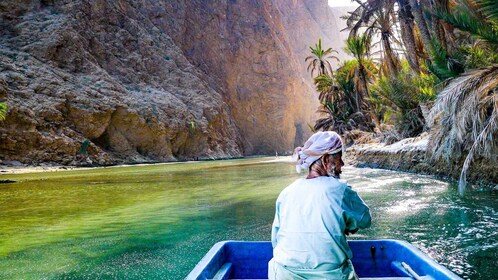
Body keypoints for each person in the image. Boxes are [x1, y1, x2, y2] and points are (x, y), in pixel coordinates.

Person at [268, 131, 371, 280]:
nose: (341, 164)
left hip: (283, 274)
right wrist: (348, 224)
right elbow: (365, 220)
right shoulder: (340, 189)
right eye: (339, 158)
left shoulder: (286, 192)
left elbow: (275, 240)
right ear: (325, 160)